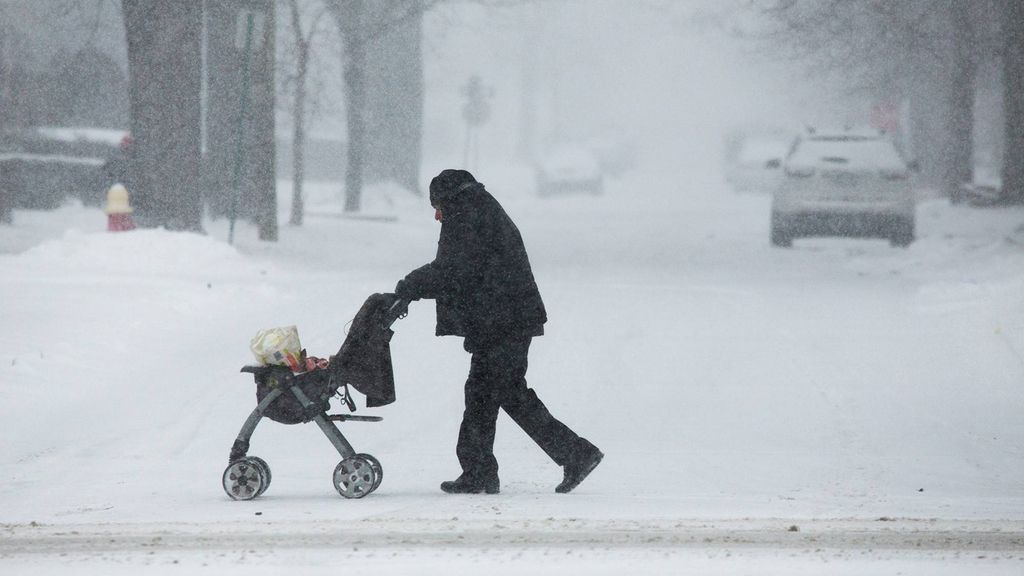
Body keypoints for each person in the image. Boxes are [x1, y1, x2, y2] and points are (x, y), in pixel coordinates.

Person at [395, 169, 603, 494]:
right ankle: (480, 471)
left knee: (502, 393)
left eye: (437, 206)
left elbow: (454, 269)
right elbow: (465, 268)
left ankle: (574, 453)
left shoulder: (466, 213)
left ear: (447, 199)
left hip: (503, 320)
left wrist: (410, 286)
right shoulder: (478, 206)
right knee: (486, 393)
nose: (436, 215)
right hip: (504, 318)